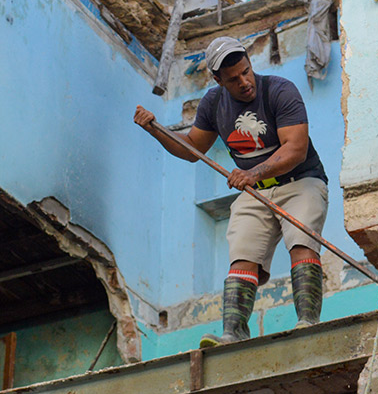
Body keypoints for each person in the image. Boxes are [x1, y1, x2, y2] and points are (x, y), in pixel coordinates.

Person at [134, 36, 328, 347]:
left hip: (300, 182)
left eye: (246, 72)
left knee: (302, 240)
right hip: (255, 193)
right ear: (218, 80)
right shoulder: (213, 103)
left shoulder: (279, 90)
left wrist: (252, 173)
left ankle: (308, 322)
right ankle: (233, 332)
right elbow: (193, 149)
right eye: (234, 79)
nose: (244, 82)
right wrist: (155, 130)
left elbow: (296, 149)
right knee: (242, 254)